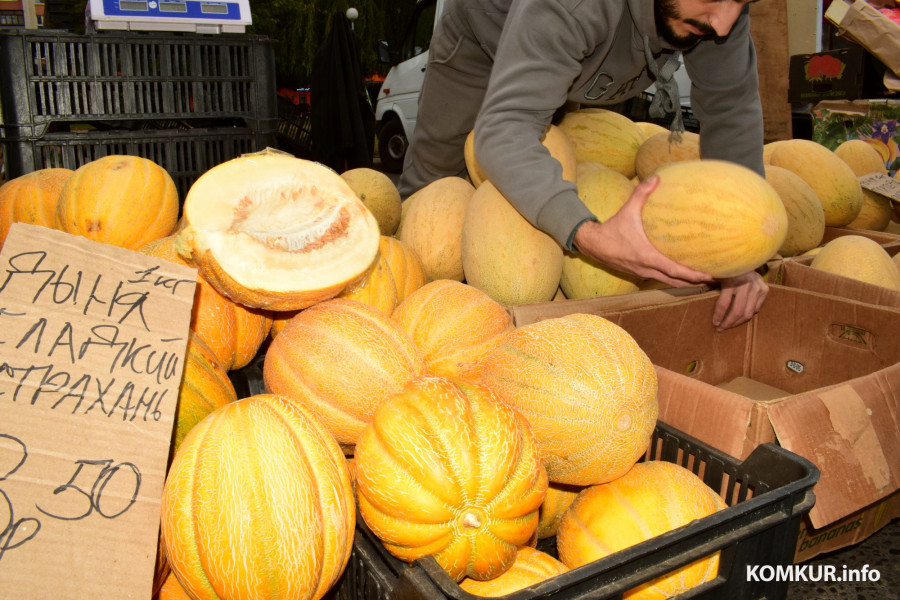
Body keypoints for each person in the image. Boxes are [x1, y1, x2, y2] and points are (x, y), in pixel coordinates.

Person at [398, 0, 770, 331]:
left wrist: (739, 252)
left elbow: (732, 114)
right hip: (481, 44)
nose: (724, 23)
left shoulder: (717, 14)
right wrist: (589, 235)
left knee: (545, 168)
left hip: (565, 55)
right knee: (434, 195)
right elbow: (504, 130)